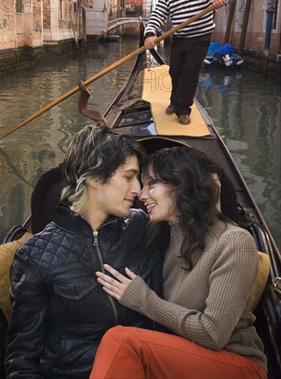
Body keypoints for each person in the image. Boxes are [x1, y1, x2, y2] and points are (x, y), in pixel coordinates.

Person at [90, 146, 267, 379]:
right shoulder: (166, 233)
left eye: (151, 184)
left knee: (123, 341)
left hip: (236, 363)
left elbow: (214, 334)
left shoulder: (234, 242)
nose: (142, 195)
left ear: (183, 184)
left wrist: (144, 300)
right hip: (182, 353)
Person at [5, 125, 161, 378]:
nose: (138, 189)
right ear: (94, 178)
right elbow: (22, 357)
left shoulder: (144, 227)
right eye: (129, 177)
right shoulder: (34, 255)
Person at [144, 0, 229, 125]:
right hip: (180, 37)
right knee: (175, 72)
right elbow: (158, 14)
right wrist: (150, 33)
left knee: (189, 72)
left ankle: (183, 109)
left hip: (200, 37)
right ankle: (175, 102)